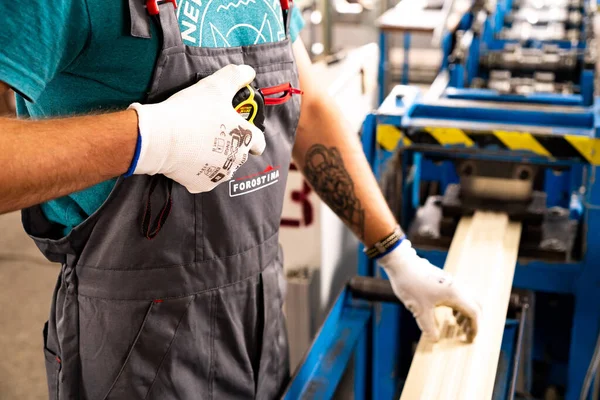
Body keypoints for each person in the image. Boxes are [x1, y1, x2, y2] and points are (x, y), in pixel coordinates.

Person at [0, 1, 481, 398]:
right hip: (137, 348)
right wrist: (151, 137)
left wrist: (396, 254)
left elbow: (308, 105)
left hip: (260, 321)